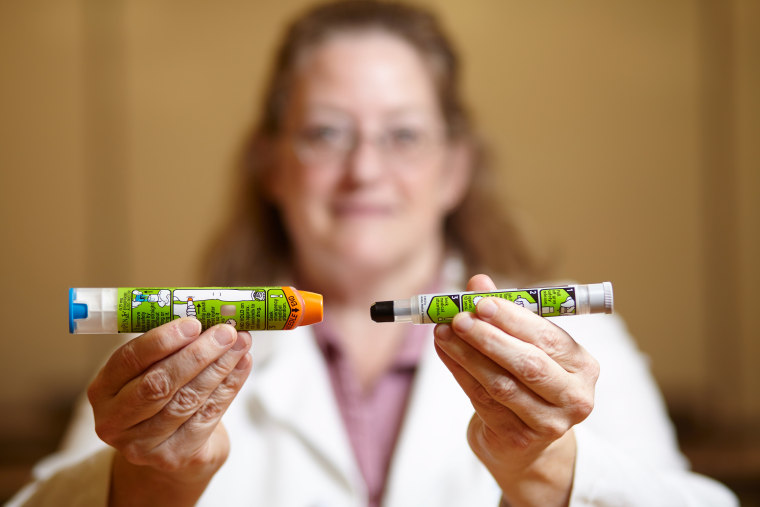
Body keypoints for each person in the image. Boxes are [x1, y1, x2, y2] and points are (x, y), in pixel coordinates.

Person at [9, 1, 737, 506]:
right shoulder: (169, 347)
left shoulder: (580, 347)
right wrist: (148, 484)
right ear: (272, 165)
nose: (364, 171)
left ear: (454, 169)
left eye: (403, 135)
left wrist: (549, 468)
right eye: (326, 133)